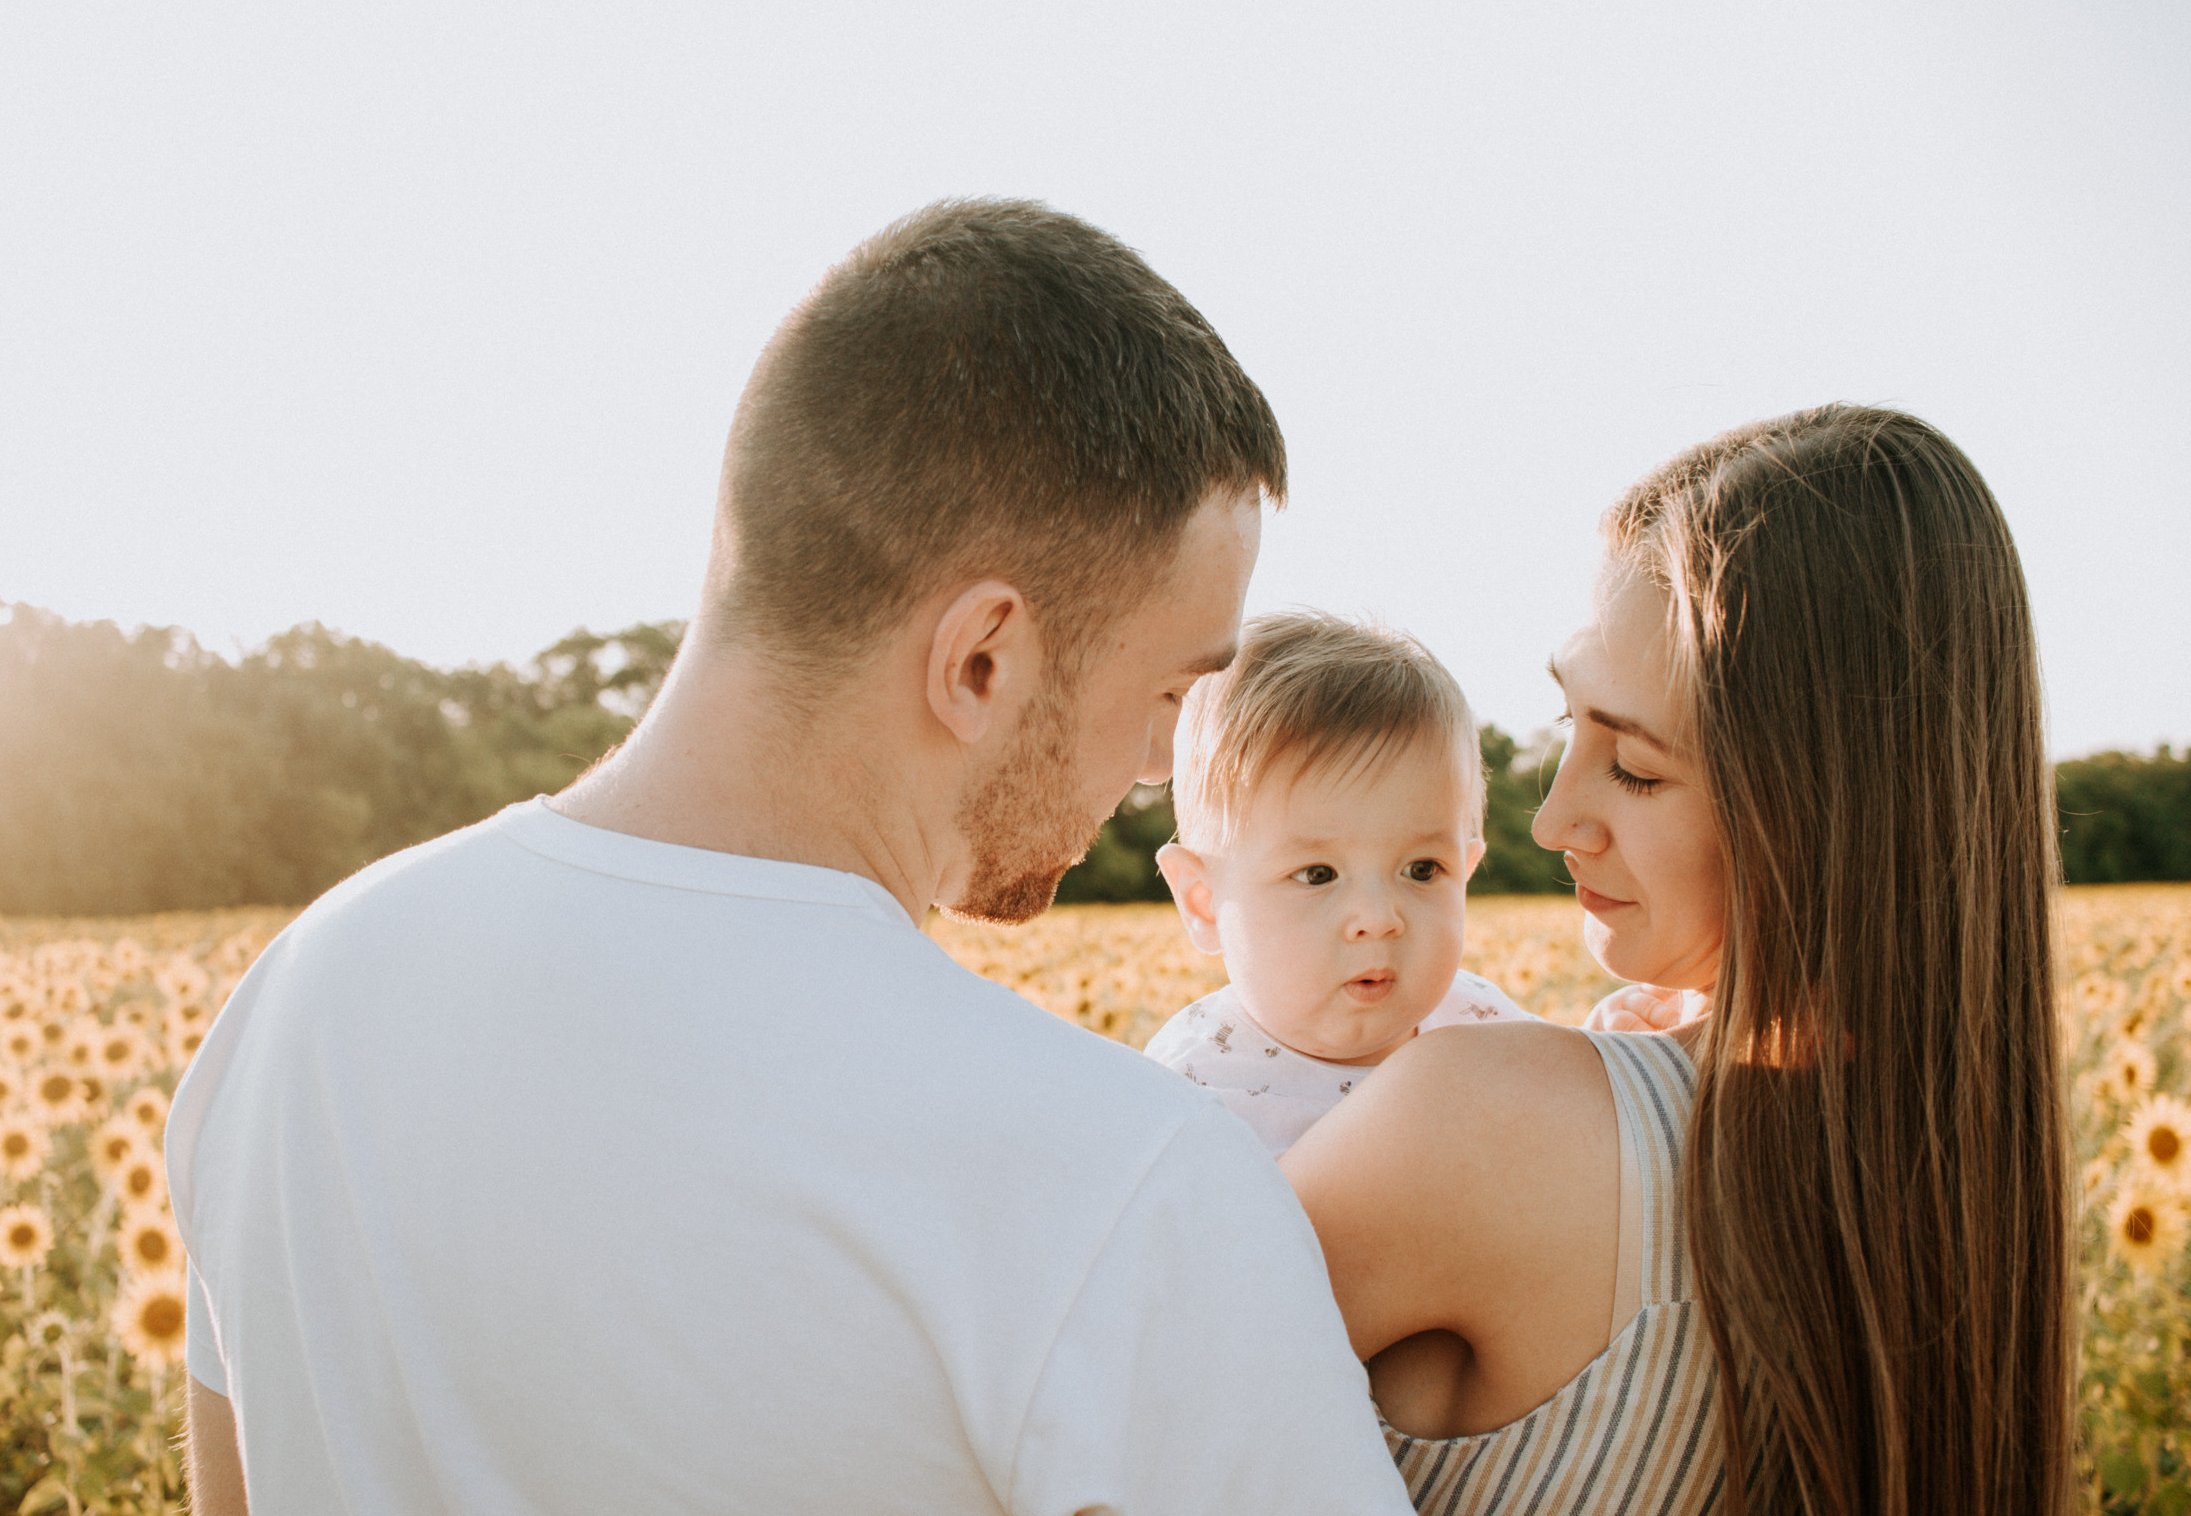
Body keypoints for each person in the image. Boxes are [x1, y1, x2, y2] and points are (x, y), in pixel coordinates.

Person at [167, 200, 1412, 1515]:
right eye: (1169, 693)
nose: (1161, 765)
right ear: (982, 660)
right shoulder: (1121, 1188)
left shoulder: (295, 1006)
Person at [1285, 406, 2072, 1515]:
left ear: (1823, 814)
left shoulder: (1487, 1123)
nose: (1553, 818)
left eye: (1638, 771)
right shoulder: (1965, 1201)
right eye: (1571, 724)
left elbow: (1049, 1427)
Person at [1142, 611, 1532, 1157]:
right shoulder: (1187, 1097)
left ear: (1465, 874)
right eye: (1318, 875)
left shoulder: (1486, 1027)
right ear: (1203, 903)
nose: (1378, 917)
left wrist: (1604, 1053)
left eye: (1422, 870)